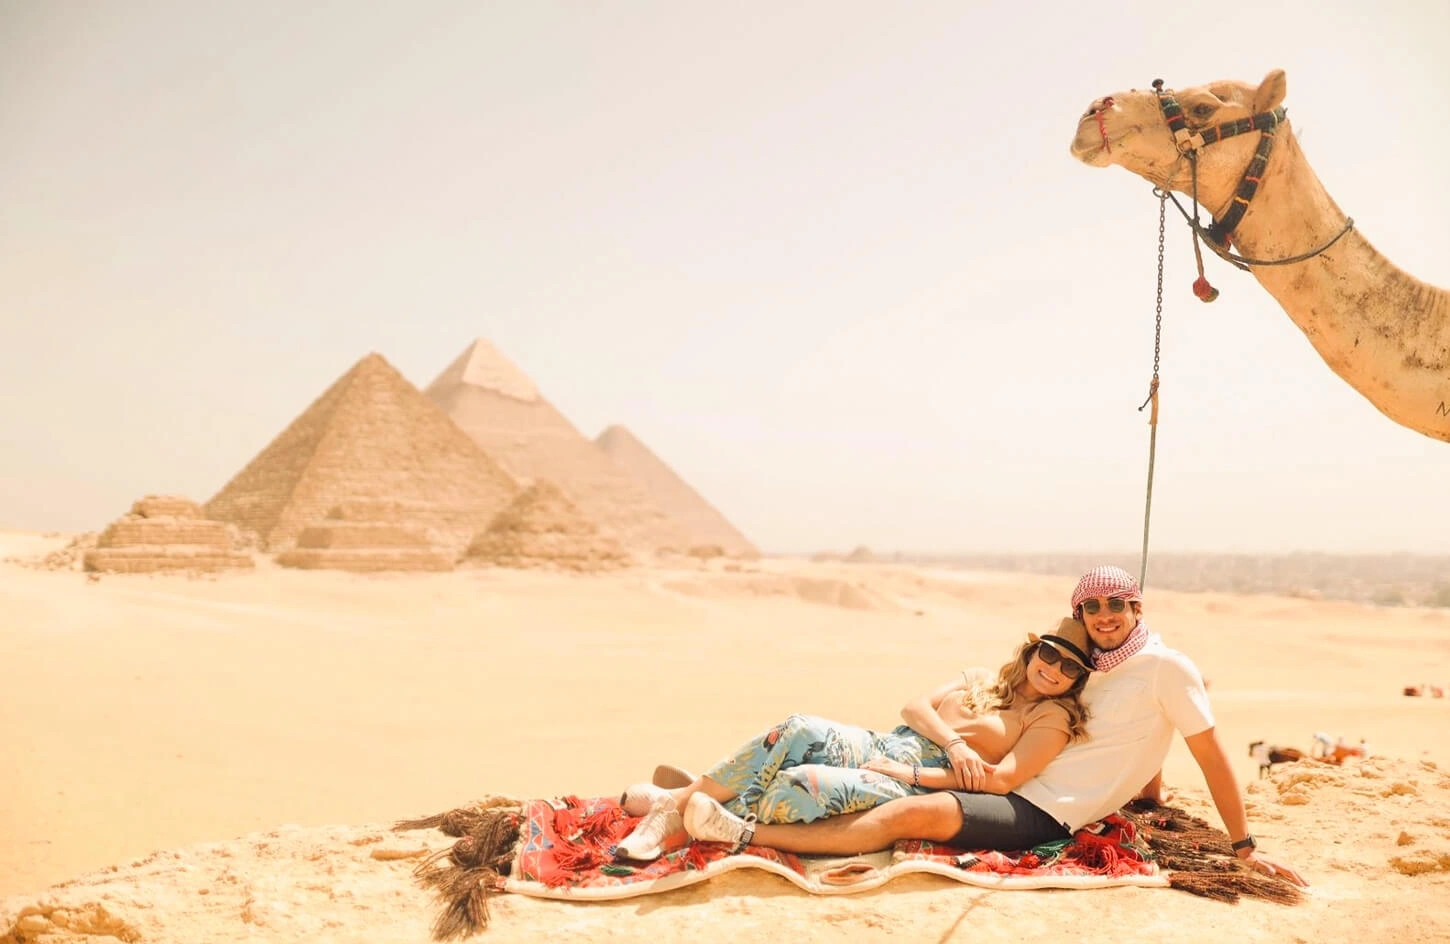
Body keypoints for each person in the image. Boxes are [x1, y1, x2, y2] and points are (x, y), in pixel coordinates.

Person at [680, 565, 1308, 887]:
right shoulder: (1100, 668)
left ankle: (742, 835)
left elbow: (1210, 751)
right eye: (1091, 608)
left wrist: (1244, 847)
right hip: (1013, 782)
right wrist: (1151, 795)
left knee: (908, 816)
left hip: (1041, 809)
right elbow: (1140, 733)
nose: (1104, 616)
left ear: (1136, 606)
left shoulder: (1168, 666)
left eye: (1115, 604)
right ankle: (693, 800)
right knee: (833, 758)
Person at [613, 618, 1094, 859]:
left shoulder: (1050, 716)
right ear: (1034, 650)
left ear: (1077, 680)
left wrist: (915, 772)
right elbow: (913, 708)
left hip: (921, 780)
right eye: (1050, 655)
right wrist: (956, 742)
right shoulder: (982, 677)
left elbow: (1000, 781)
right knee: (798, 727)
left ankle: (694, 806)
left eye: (1071, 667)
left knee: (800, 783)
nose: (1054, 670)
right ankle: (673, 809)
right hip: (890, 743)